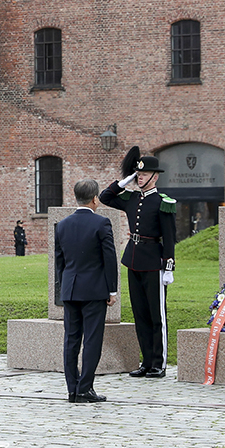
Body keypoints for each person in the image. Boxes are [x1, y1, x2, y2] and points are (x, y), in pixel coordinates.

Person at [100, 149, 177, 378]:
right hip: (133, 260)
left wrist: (168, 267)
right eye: (137, 173)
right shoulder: (131, 198)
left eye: (144, 174)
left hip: (154, 262)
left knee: (156, 315)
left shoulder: (163, 202)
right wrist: (123, 182)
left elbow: (170, 238)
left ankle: (158, 363)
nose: (140, 177)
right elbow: (105, 197)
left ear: (155, 176)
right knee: (140, 314)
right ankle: (145, 361)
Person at [54, 179, 118, 404]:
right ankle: (85, 388)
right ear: (95, 199)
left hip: (70, 290)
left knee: (71, 339)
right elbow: (109, 259)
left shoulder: (62, 225)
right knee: (91, 340)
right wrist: (112, 290)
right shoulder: (102, 223)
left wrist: (65, 287)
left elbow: (60, 262)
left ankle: (72, 388)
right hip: (94, 291)